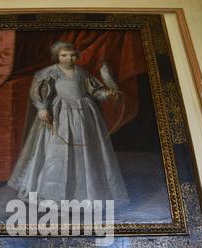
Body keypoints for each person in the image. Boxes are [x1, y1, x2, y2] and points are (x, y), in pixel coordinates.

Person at [8, 41, 128, 206]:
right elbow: (37, 92)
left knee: (86, 150)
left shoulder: (82, 73)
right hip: (61, 114)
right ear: (57, 56)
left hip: (85, 114)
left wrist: (107, 93)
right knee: (57, 152)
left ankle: (86, 193)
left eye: (72, 55)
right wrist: (42, 108)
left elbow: (94, 91)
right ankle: (54, 195)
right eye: (64, 55)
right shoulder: (49, 73)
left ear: (76, 56)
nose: (68, 58)